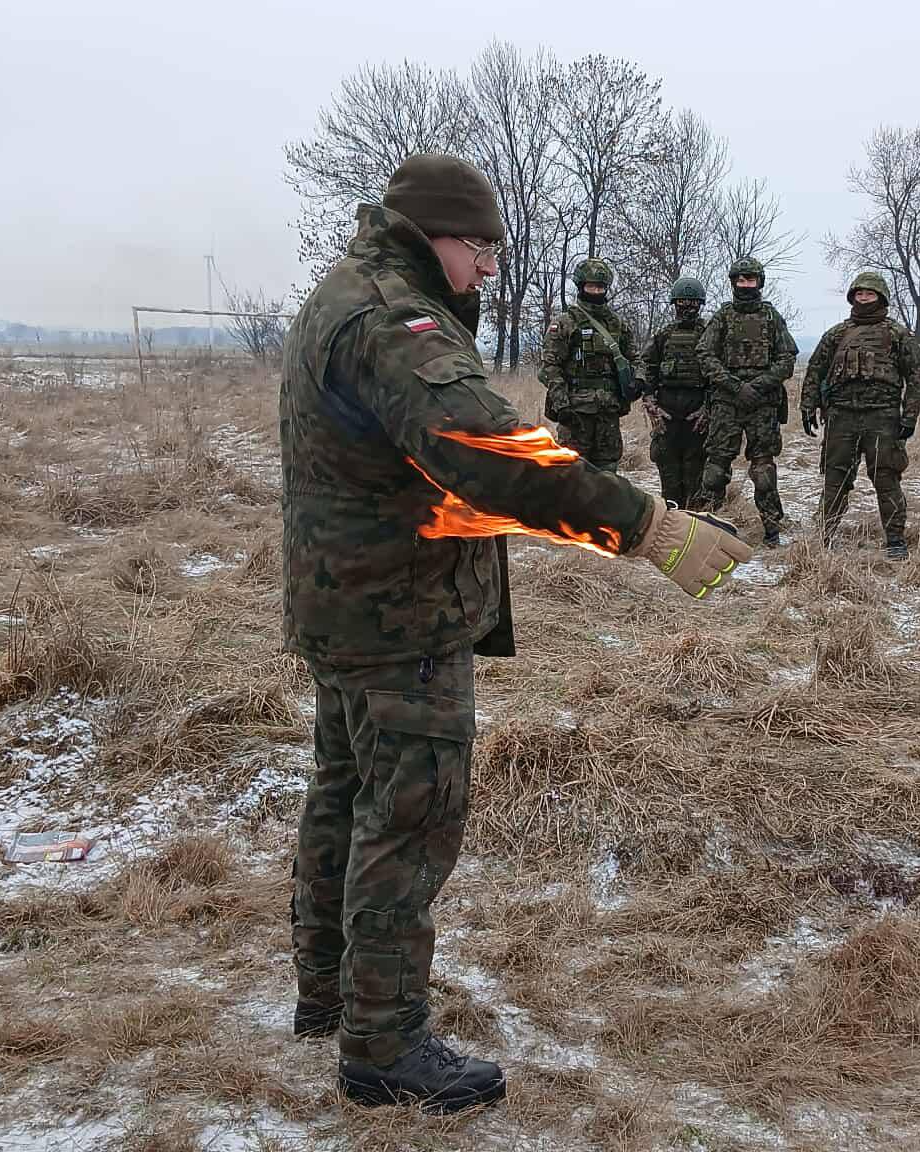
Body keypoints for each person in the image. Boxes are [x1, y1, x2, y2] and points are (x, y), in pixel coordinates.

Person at [280, 153, 751, 1115]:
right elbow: (497, 457)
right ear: (430, 235)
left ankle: (332, 994)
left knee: (347, 792)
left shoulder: (347, 293)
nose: (491, 266)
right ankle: (383, 1045)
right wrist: (648, 527)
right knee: (408, 819)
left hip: (348, 601)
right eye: (478, 246)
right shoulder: (395, 321)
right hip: (401, 613)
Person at [799, 271, 920, 558]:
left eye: (870, 294)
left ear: (881, 298)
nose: (864, 298)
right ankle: (823, 537)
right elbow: (815, 370)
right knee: (835, 479)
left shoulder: (897, 334)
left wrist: (909, 417)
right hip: (841, 416)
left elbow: (917, 377)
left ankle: (895, 540)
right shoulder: (837, 334)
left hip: (882, 417)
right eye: (859, 294)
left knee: (886, 479)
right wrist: (808, 405)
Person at [697, 257, 799, 546]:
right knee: (715, 470)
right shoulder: (723, 316)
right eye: (740, 280)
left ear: (759, 282)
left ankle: (772, 530)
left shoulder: (771, 317)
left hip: (762, 405)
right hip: (726, 403)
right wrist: (735, 387)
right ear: (733, 283)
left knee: (763, 471)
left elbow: (786, 359)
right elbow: (705, 354)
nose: (745, 285)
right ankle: (708, 528)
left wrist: (758, 386)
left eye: (750, 280)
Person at [539, 257, 636, 470]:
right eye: (591, 286)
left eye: (600, 287)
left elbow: (635, 359)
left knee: (608, 473)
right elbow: (550, 368)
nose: (596, 291)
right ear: (581, 286)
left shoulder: (617, 324)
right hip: (575, 413)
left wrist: (636, 382)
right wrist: (562, 405)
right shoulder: (566, 323)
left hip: (608, 413)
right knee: (572, 474)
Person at [641, 276, 713, 507]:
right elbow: (647, 370)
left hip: (697, 414)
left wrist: (708, 409)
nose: (687, 307)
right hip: (667, 413)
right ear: (674, 304)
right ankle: (671, 519)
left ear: (700, 305)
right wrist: (651, 405)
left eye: (693, 302)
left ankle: (694, 520)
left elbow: (718, 376)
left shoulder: (709, 336)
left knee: (695, 475)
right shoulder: (663, 336)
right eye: (682, 302)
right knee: (669, 475)